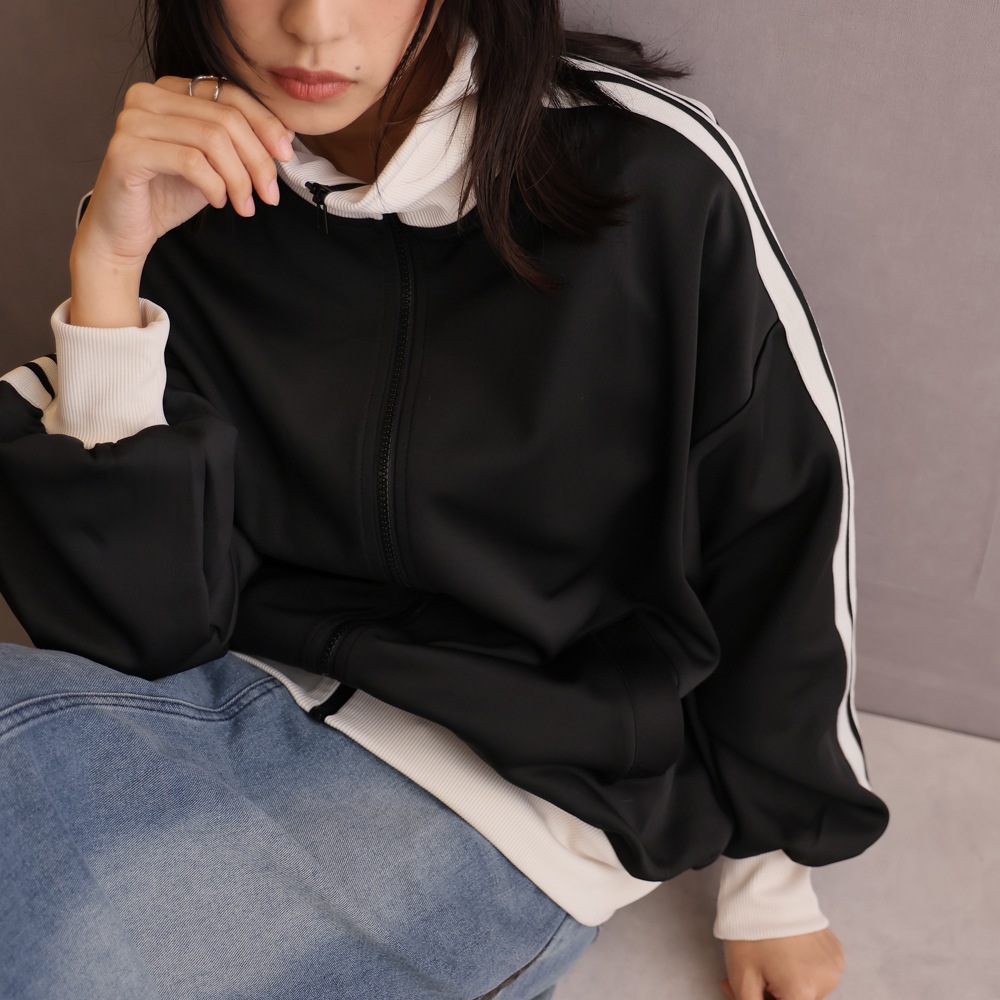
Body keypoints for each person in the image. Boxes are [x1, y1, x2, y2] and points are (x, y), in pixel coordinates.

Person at [0, 0, 889, 997]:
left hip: (509, 798)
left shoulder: (651, 177)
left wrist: (773, 884)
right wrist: (109, 270)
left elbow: (778, 527)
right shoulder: (184, 180)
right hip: (206, 703)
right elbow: (135, 635)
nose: (314, 25)